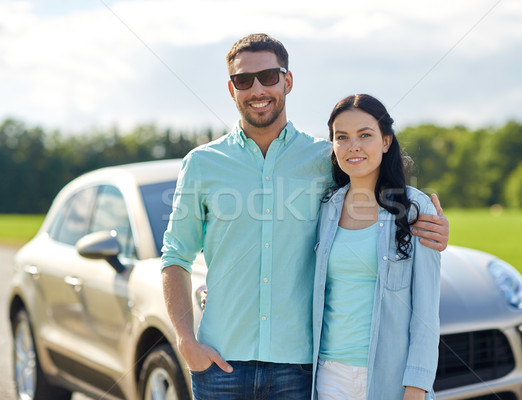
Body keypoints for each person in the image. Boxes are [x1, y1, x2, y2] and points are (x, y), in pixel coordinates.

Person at [161, 33, 448, 400]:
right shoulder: (202, 164)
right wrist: (186, 341)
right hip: (220, 364)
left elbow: (375, 198)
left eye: (268, 76)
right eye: (243, 80)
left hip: (300, 370)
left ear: (287, 80)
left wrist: (432, 228)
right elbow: (175, 256)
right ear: (231, 89)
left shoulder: (325, 160)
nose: (257, 89)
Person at [312, 94, 441, 400]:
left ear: (386, 141)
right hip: (328, 379)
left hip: (391, 380)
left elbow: (426, 312)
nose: (353, 146)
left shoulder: (416, 209)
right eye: (342, 137)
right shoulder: (325, 210)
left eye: (365, 135)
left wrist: (416, 388)